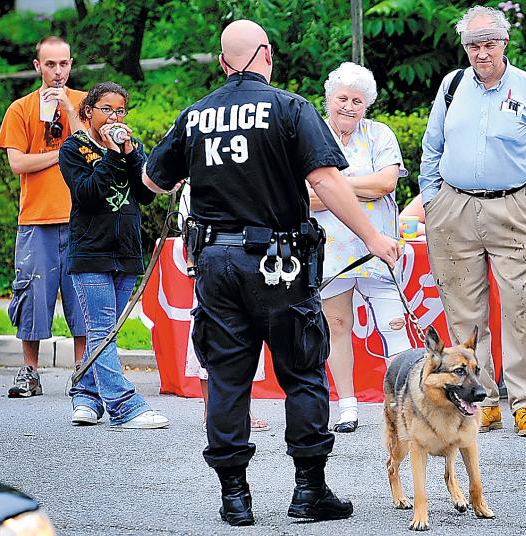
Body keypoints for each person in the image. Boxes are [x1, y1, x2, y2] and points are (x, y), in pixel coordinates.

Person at [143, 20, 400, 526]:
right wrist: (374, 239)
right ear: (266, 54)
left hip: (215, 263)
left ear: (222, 62)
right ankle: (309, 492)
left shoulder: (194, 115)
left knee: (227, 378)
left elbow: (153, 180)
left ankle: (234, 497)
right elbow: (326, 180)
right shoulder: (290, 107)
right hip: (279, 263)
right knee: (303, 372)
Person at [419, 5, 526, 437]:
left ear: (504, 43)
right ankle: (480, 399)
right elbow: (432, 148)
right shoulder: (452, 85)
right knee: (464, 313)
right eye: (473, 45)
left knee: (518, 305)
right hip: (454, 207)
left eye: (489, 44)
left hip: (512, 206)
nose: (481, 53)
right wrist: (432, 202)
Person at [58, 82, 169, 430]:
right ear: (89, 111)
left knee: (106, 331)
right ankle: (124, 406)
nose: (114, 116)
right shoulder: (73, 148)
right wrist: (111, 155)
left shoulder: (129, 148)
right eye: (106, 109)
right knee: (102, 328)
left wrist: (131, 152)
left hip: (126, 251)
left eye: (120, 110)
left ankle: (87, 395)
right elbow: (88, 195)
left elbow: (146, 194)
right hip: (90, 250)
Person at [308, 62, 412, 433]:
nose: (349, 106)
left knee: (394, 323)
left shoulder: (380, 134)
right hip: (331, 250)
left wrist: (334, 187)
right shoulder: (312, 135)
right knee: (337, 325)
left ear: (366, 105)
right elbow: (302, 196)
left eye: (357, 100)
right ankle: (347, 407)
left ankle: (404, 405)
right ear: (328, 99)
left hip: (377, 246)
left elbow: (386, 183)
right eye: (342, 98)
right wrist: (356, 186)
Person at [0, 36, 86, 398]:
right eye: (50, 64)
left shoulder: (82, 103)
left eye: (63, 64)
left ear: (70, 64)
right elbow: (19, 163)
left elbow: (92, 148)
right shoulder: (20, 109)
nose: (58, 72)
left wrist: (67, 106)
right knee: (32, 294)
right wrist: (62, 153)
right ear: (37, 66)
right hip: (36, 219)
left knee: (81, 296)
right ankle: (30, 372)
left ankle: (83, 370)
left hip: (81, 218)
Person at [179, 183, 270, 433]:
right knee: (208, 331)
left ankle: (244, 410)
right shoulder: (196, 173)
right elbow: (187, 222)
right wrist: (192, 257)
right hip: (209, 253)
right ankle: (210, 409)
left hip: (249, 253)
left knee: (249, 334)